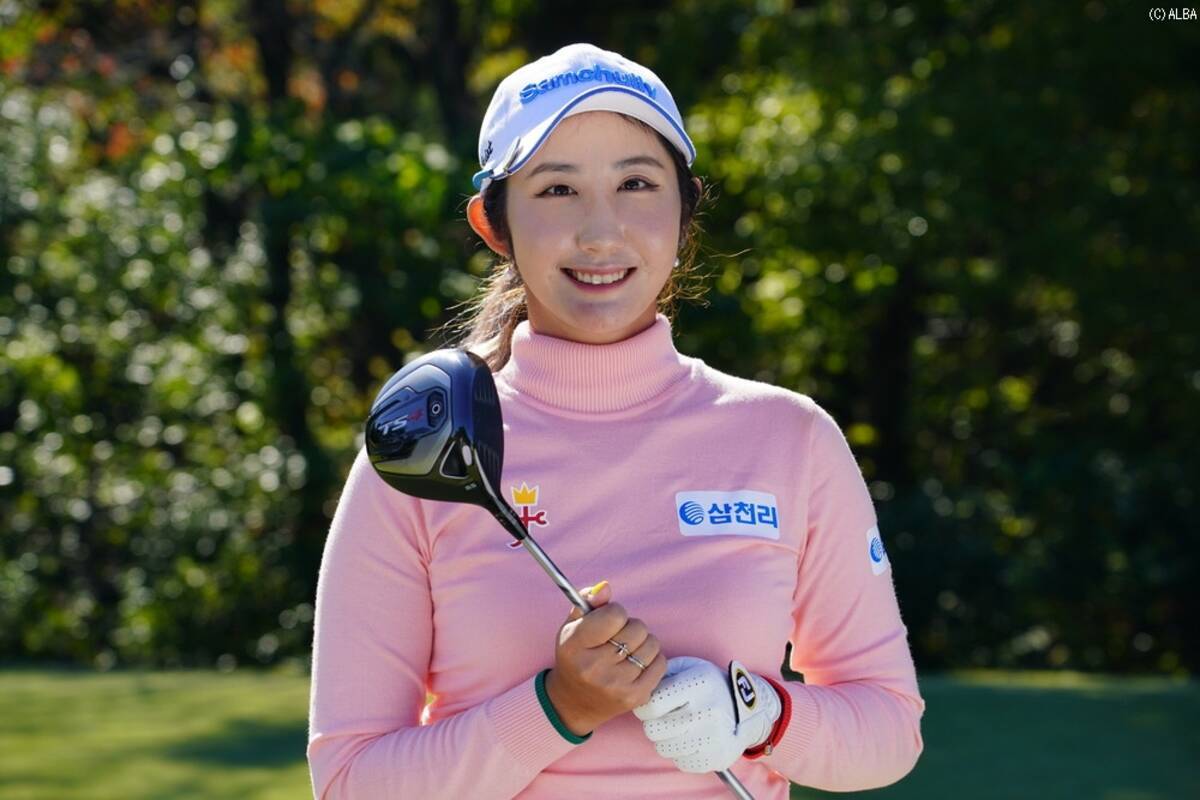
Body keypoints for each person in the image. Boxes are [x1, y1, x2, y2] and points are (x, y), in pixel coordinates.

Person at [306, 42, 925, 799]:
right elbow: (349, 782)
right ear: (494, 224)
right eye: (557, 189)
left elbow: (888, 731)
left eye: (636, 183)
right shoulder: (426, 453)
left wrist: (758, 714)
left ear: (686, 208)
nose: (601, 233)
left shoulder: (790, 439)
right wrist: (557, 709)